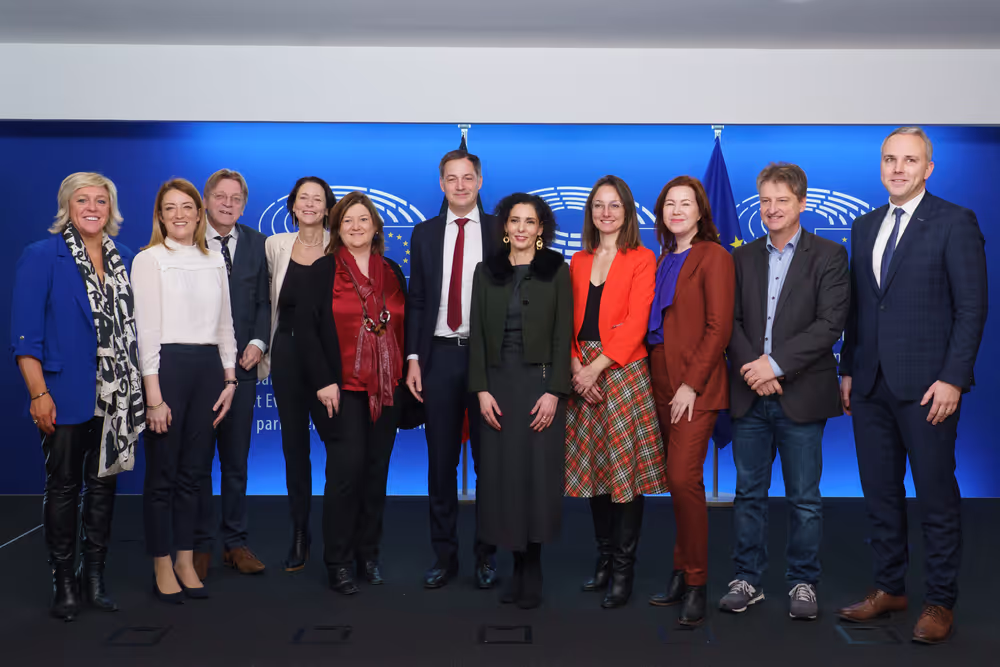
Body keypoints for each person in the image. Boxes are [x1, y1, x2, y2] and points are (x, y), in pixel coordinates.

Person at [837, 127, 988, 644]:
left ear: (928, 168)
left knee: (937, 498)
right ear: (881, 167)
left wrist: (954, 378)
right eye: (890, 159)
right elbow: (859, 308)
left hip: (928, 388)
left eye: (910, 160)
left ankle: (940, 601)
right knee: (880, 495)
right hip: (871, 386)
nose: (898, 168)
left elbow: (972, 308)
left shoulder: (954, 221)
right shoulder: (863, 225)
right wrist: (848, 372)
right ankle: (889, 588)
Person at [11, 172, 143, 621]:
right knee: (65, 487)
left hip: (117, 395)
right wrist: (38, 393)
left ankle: (95, 578)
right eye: (82, 199)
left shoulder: (124, 257)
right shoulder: (41, 256)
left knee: (104, 488)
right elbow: (25, 339)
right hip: (63, 393)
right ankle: (63, 581)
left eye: (101, 200)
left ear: (111, 208)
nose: (92, 207)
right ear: (67, 206)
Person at [721, 163, 849, 620]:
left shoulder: (830, 255)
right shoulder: (741, 257)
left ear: (802, 203)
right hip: (750, 394)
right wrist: (754, 370)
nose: (772, 209)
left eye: (782, 200)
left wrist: (774, 366)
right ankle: (747, 578)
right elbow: (730, 322)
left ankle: (803, 582)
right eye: (765, 201)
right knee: (748, 493)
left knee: (805, 498)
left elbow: (829, 324)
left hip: (801, 393)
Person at [131, 178, 238, 603]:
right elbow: (148, 333)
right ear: (160, 216)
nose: (179, 214)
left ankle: (184, 559)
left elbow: (226, 325)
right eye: (169, 208)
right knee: (163, 475)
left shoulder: (213, 260)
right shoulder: (149, 260)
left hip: (208, 370)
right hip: (167, 370)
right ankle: (160, 562)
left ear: (199, 214)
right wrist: (153, 397)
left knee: (195, 475)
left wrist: (230, 380)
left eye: (186, 207)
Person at [297, 191, 407, 595]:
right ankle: (339, 561)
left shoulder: (392, 270)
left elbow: (401, 326)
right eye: (348, 221)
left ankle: (368, 555)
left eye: (363, 220)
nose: (356, 227)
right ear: (337, 229)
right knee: (345, 475)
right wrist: (324, 380)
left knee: (376, 475)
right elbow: (305, 332)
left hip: (387, 390)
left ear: (376, 227)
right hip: (340, 391)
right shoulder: (321, 271)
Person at [565, 174, 666, 609]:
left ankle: (624, 570)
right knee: (595, 471)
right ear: (590, 213)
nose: (606, 213)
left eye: (614, 206)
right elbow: (565, 320)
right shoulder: (577, 261)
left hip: (621, 369)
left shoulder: (643, 257)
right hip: (581, 368)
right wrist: (575, 365)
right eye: (598, 206)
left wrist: (596, 368)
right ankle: (603, 559)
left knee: (623, 475)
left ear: (627, 213)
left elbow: (639, 320)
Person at [468, 193, 573, 609]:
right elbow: (475, 335)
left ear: (541, 229)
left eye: (530, 221)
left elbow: (564, 334)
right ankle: (515, 565)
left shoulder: (556, 270)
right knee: (503, 478)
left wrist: (555, 392)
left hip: (541, 386)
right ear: (506, 228)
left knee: (537, 478)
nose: (522, 228)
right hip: (497, 388)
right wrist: (480, 390)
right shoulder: (485, 271)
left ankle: (535, 567)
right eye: (515, 221)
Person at [405, 150, 500, 590]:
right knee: (440, 463)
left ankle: (487, 555)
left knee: (490, 464)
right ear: (441, 184)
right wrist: (413, 359)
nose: (460, 186)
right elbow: (418, 300)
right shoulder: (423, 234)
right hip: (439, 356)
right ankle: (444, 556)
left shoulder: (502, 229)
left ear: (480, 181)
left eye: (467, 178)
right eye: (451, 179)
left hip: (490, 361)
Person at [645, 176, 734, 626]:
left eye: (687, 203)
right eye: (670, 204)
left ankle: (697, 581)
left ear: (701, 211)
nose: (677, 210)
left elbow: (719, 328)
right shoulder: (664, 259)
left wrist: (690, 384)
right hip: (658, 379)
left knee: (684, 480)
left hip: (693, 385)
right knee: (675, 484)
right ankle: (680, 571)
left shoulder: (713, 256)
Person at [192, 169, 270, 580]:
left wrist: (259, 342)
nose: (227, 204)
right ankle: (201, 545)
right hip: (199, 370)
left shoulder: (258, 244)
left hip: (242, 370)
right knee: (199, 462)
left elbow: (264, 302)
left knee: (236, 461)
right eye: (220, 197)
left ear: (244, 203)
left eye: (235, 198)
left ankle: (235, 542)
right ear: (206, 201)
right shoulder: (185, 242)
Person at [260, 176, 336, 572]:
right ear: (292, 206)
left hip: (327, 358)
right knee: (294, 450)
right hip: (287, 351)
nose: (309, 204)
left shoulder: (339, 247)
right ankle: (300, 533)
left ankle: (338, 535)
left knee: (339, 447)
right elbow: (265, 301)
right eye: (302, 198)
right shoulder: (276, 246)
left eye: (317, 199)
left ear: (328, 208)